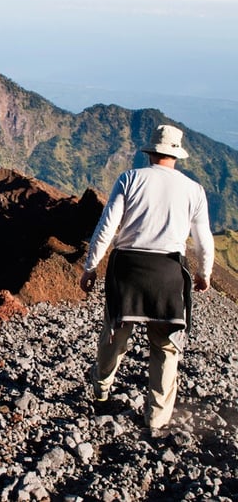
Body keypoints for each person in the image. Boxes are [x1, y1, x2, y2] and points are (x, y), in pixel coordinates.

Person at [79, 124, 213, 433]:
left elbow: (107, 227)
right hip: (169, 273)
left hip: (127, 269)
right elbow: (204, 240)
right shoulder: (194, 190)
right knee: (165, 347)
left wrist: (90, 267)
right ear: (176, 155)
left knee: (115, 334)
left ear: (151, 151)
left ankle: (101, 389)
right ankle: (156, 419)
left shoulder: (130, 179)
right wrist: (203, 274)